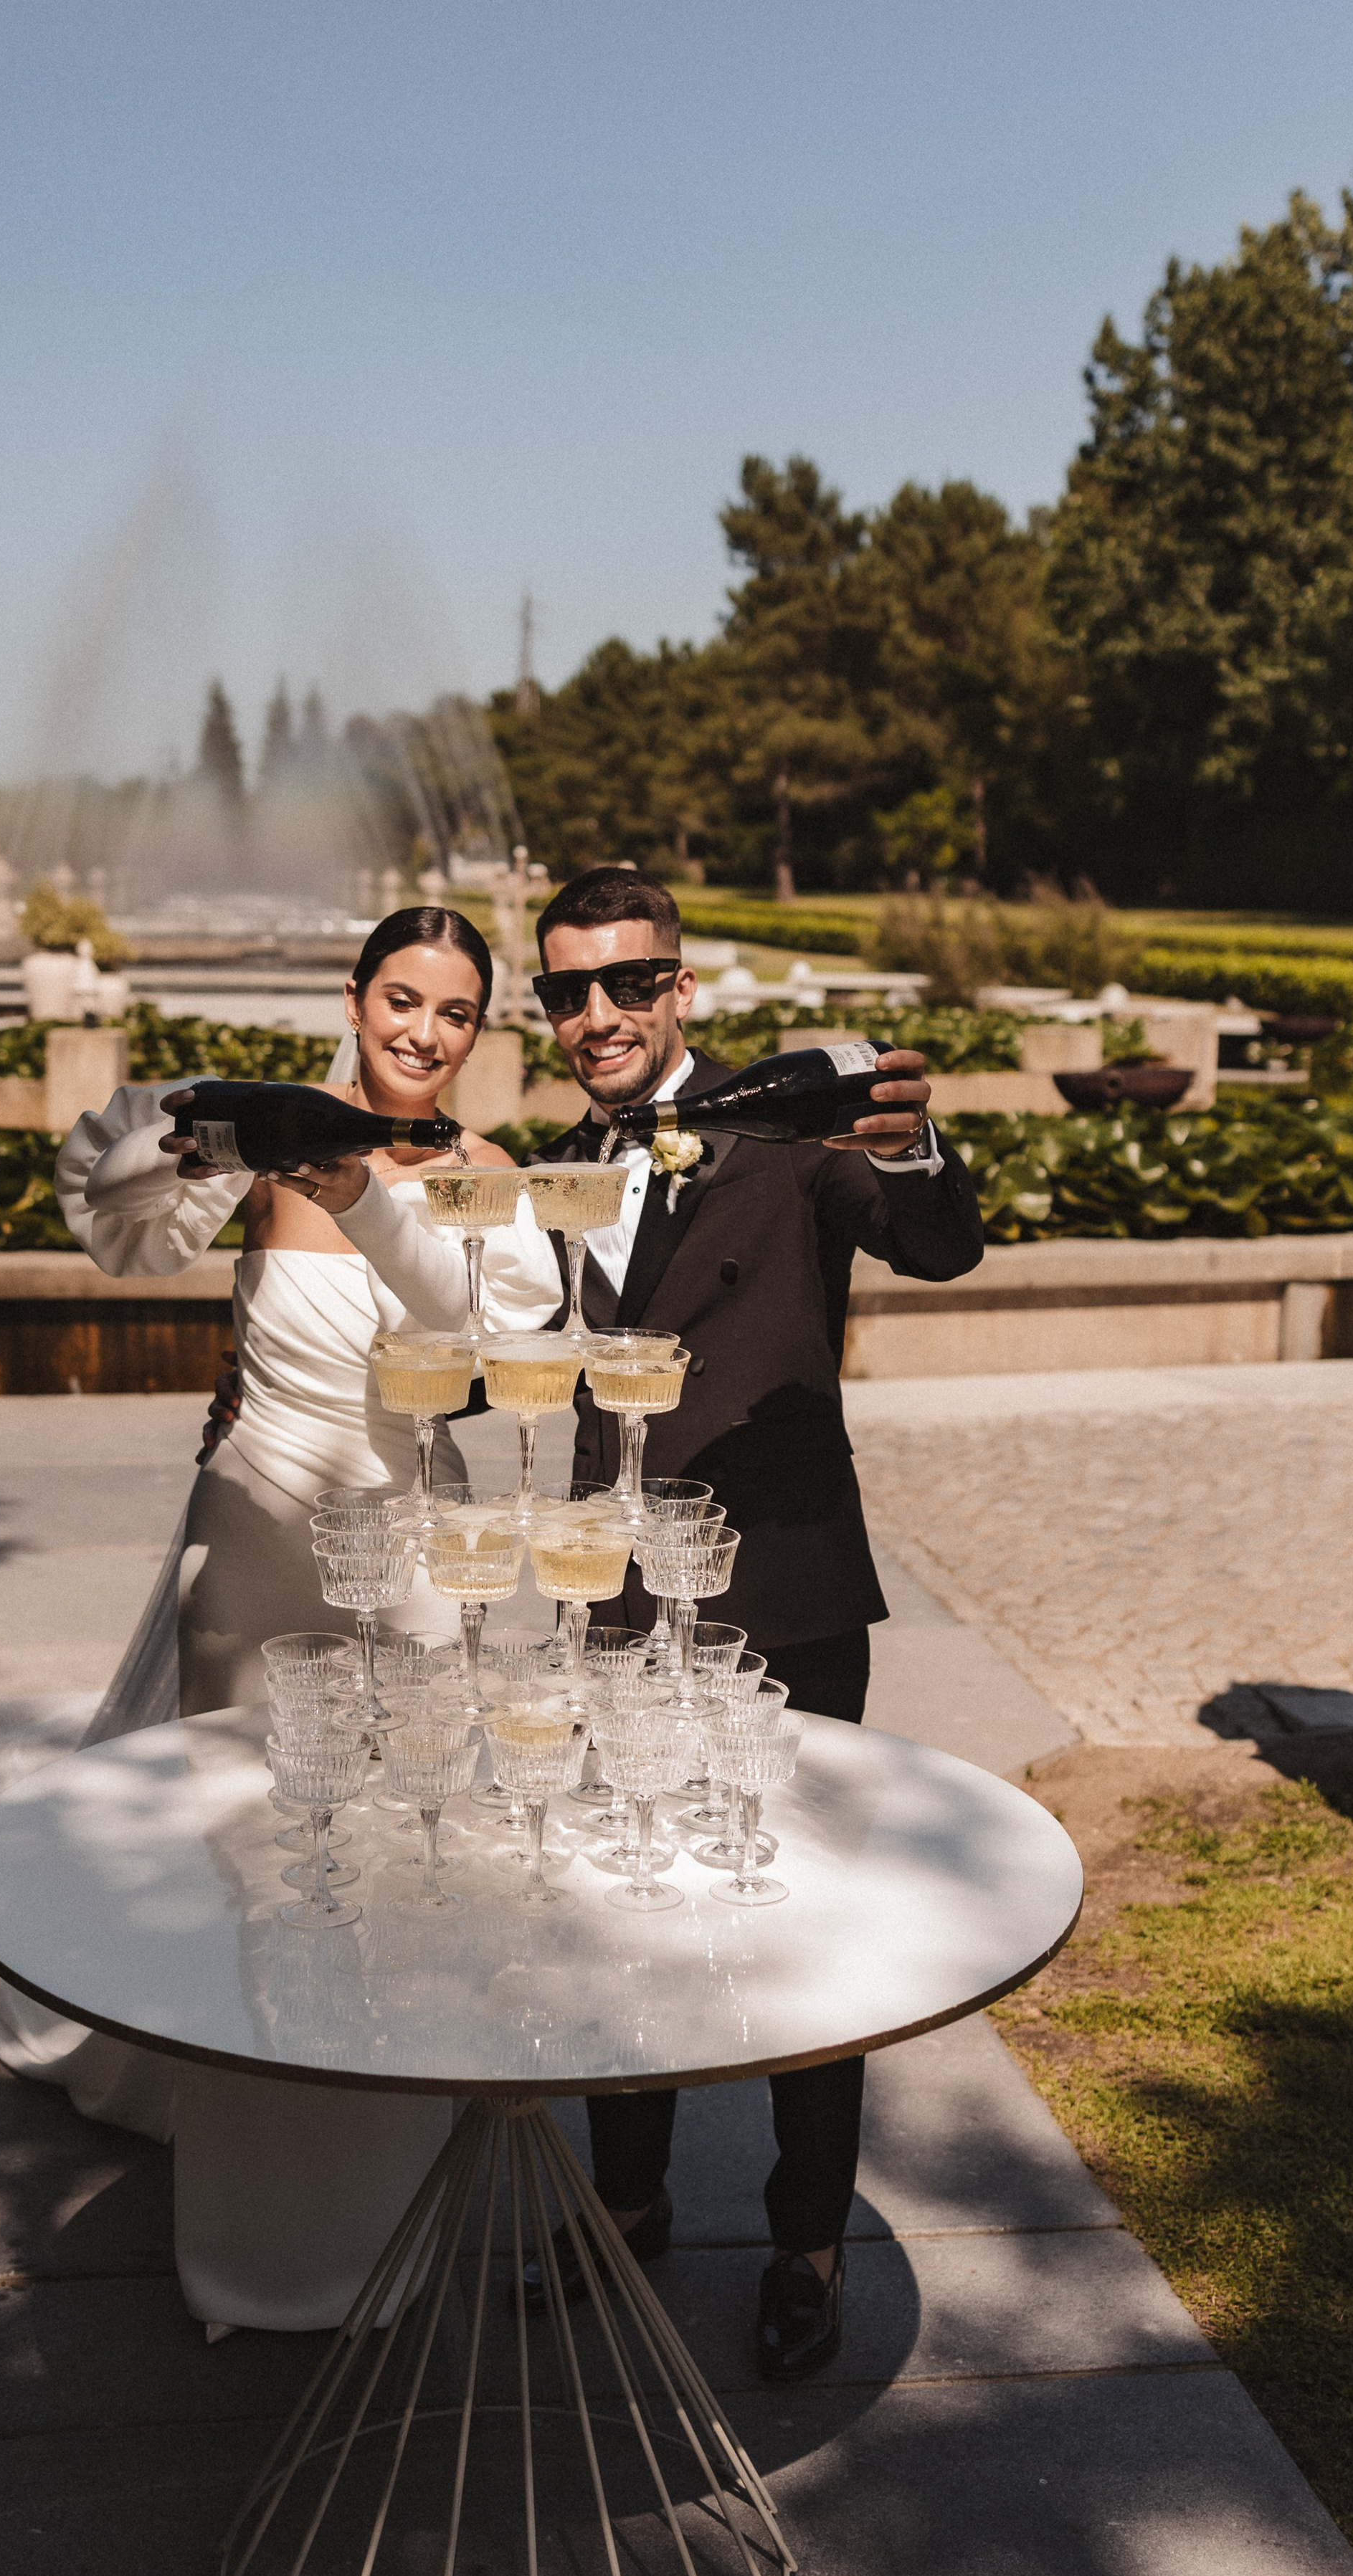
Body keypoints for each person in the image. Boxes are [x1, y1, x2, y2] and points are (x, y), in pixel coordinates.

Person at [53, 905, 561, 2337]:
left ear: (478, 1032)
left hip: (411, 1539)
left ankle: (384, 2166)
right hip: (257, 1529)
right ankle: (249, 2204)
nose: (423, 1032)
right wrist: (202, 1134)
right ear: (353, 996)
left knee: (407, 1847)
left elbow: (482, 1331)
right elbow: (117, 1224)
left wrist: (363, 1193)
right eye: (401, 999)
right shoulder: (270, 1143)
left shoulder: (482, 1173)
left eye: (453, 1012)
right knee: (241, 1844)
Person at [521, 865, 984, 2379]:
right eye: (568, 990)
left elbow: (937, 1244)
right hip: (613, 1592)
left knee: (800, 1918)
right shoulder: (559, 1166)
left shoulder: (791, 1133)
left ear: (679, 986)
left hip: (780, 1588)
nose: (597, 1013)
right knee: (622, 1905)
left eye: (626, 982)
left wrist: (910, 1143)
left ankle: (804, 2243)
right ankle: (629, 2202)